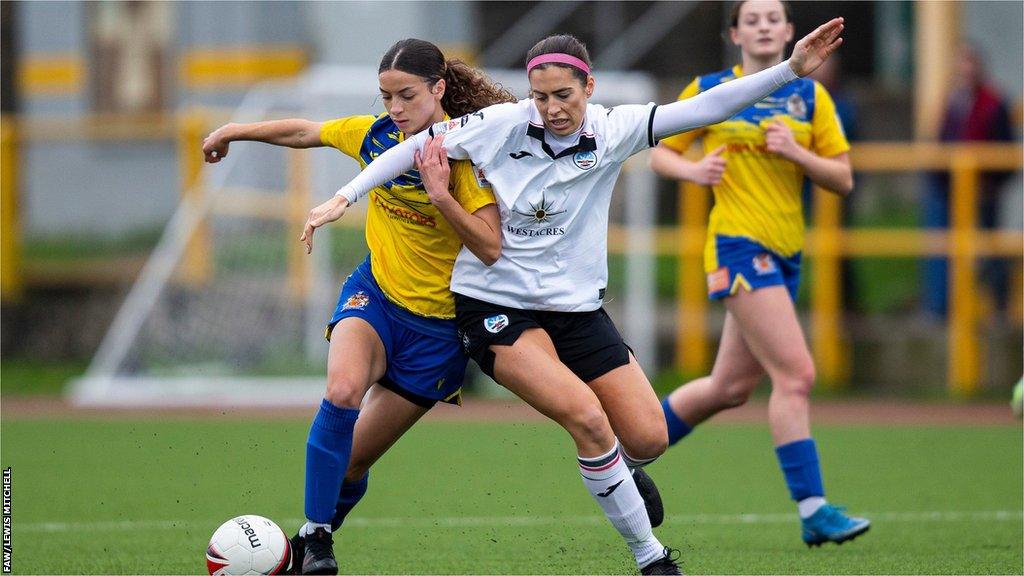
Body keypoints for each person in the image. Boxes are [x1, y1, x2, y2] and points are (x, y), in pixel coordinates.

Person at [302, 16, 845, 574]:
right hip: (495, 308)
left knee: (649, 436)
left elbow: (707, 108)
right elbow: (412, 148)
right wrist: (345, 196)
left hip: (577, 310)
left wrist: (790, 70)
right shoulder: (501, 123)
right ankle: (652, 559)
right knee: (587, 417)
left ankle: (621, 473)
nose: (551, 108)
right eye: (540, 96)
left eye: (564, 95)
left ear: (589, 89)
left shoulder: (616, 129)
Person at [202, 38, 515, 575]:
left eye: (406, 96)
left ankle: (306, 543)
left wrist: (441, 195)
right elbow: (307, 131)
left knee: (353, 463)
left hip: (439, 331)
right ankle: (319, 542)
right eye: (386, 96)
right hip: (376, 298)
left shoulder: (468, 156)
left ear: (439, 89)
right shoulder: (377, 137)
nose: (394, 109)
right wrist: (235, 130)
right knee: (342, 391)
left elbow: (490, 246)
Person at [650, 0, 869, 548]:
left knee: (729, 388)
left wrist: (798, 153)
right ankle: (814, 508)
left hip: (786, 252)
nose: (765, 25)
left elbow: (842, 180)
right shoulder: (713, 87)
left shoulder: (811, 96)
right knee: (796, 375)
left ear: (791, 31)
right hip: (739, 249)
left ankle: (627, 449)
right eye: (753, 18)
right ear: (734, 33)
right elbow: (660, 153)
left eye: (774, 18)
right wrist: (695, 169)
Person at [922, 42, 1015, 317]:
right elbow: (942, 144)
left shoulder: (994, 104)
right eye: (961, 64)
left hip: (985, 190)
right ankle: (945, 307)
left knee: (991, 248)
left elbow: (1005, 149)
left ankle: (1000, 308)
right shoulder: (953, 103)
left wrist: (992, 185)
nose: (965, 71)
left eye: (970, 64)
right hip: (954, 190)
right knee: (950, 248)